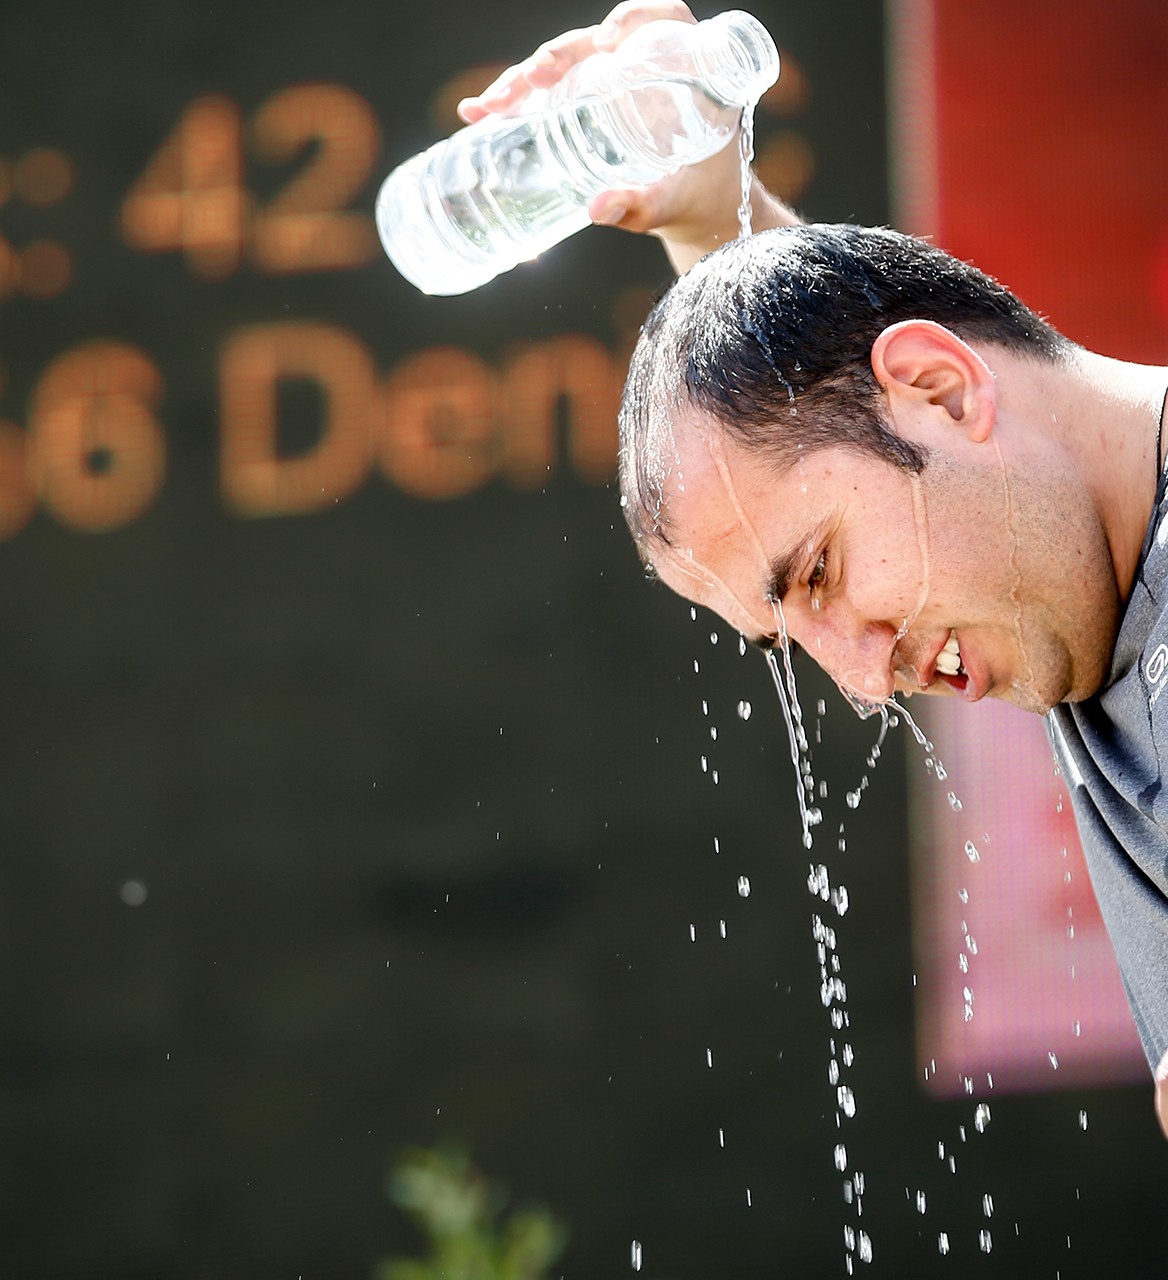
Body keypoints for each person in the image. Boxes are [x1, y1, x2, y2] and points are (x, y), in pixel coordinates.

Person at [461, 1, 1168, 1134]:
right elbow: (814, 411)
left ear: (942, 389)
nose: (866, 679)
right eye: (792, 632)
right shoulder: (1068, 575)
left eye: (821, 578)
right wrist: (709, 204)